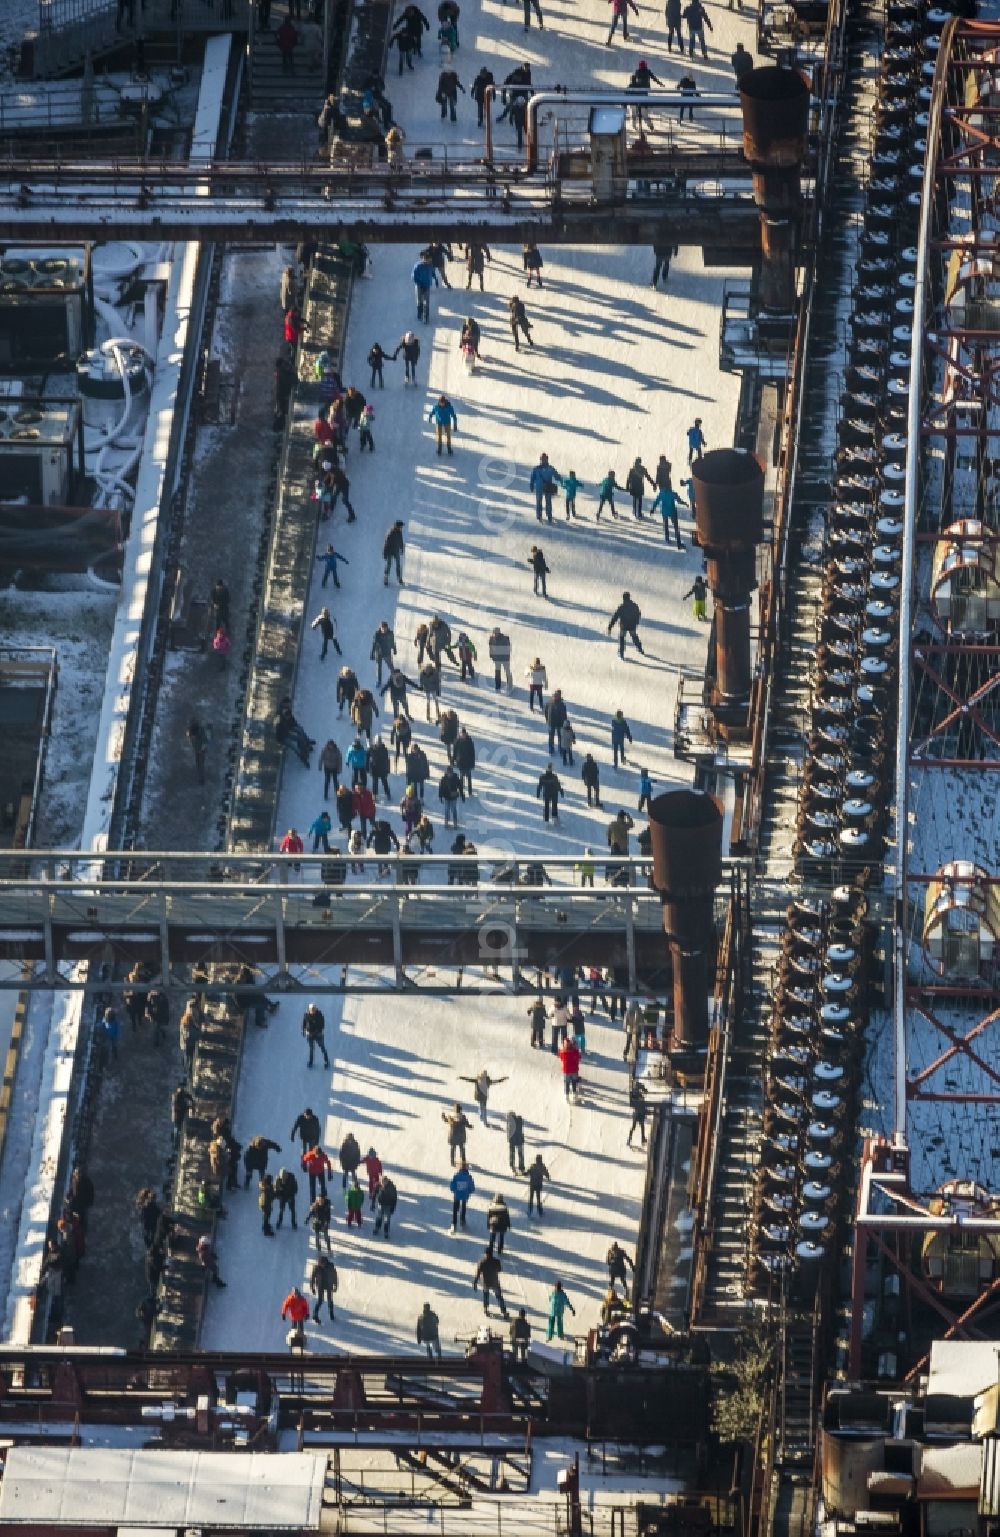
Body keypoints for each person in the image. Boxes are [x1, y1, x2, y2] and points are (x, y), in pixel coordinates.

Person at [608, 592, 645, 659]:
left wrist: (610, 626)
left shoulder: (621, 607)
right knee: (634, 637)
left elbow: (615, 617)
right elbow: (638, 615)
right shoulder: (634, 606)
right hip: (632, 625)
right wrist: (636, 622)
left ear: (623, 598)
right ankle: (640, 649)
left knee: (621, 638)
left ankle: (621, 653)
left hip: (624, 626)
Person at [473, 1248, 508, 1316]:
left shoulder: (482, 1262)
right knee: (499, 1297)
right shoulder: (496, 1261)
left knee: (486, 1295)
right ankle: (504, 1311)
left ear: (485, 1254)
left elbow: (478, 1274)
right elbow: (500, 1270)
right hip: (494, 1282)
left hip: (486, 1283)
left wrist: (475, 1282)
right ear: (492, 1253)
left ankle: (486, 1309)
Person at [651, 483, 688, 548]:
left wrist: (652, 509)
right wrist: (685, 503)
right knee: (676, 527)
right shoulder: (673, 493)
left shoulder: (661, 493)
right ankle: (679, 544)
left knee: (666, 525)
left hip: (664, 512)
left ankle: (667, 539)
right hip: (672, 512)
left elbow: (656, 501)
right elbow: (679, 501)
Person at [530, 453, 560, 521]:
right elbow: (532, 478)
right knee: (540, 502)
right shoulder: (537, 469)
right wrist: (531, 485)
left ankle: (548, 515)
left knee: (547, 501)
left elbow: (556, 476)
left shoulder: (549, 468)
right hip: (541, 488)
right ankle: (540, 515)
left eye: (544, 459)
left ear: (547, 459)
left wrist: (561, 480)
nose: (543, 460)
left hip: (546, 487)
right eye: (542, 459)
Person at [310, 1253, 338, 1321]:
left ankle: (331, 1314)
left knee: (329, 1300)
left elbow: (335, 1276)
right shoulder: (316, 1268)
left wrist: (335, 1285)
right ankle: (315, 1314)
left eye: (323, 1264)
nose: (322, 1266)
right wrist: (312, 1287)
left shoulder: (330, 1266)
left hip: (329, 1284)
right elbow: (312, 1278)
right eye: (321, 1264)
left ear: (326, 1262)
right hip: (320, 1285)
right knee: (320, 1300)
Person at [302, 1003, 330, 1069]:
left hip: (318, 1035)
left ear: (315, 1009)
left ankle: (326, 1062)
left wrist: (318, 1031)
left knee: (322, 1047)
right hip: (310, 1035)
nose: (313, 1011)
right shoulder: (306, 1015)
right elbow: (304, 1023)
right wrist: (303, 1030)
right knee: (311, 1049)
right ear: (309, 1010)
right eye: (311, 1010)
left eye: (313, 1009)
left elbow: (322, 1024)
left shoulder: (319, 1015)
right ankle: (311, 1062)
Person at [450, 1158, 475, 1232]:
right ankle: (462, 1221)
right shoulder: (469, 1177)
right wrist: (469, 1192)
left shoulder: (456, 1176)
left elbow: (452, 1186)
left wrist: (454, 1191)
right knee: (463, 1207)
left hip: (457, 1195)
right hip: (465, 1195)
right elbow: (472, 1187)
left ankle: (454, 1224)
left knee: (455, 1208)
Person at [412, 254, 439, 323]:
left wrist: (436, 279)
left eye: (428, 260)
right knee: (419, 300)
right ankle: (419, 312)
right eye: (426, 260)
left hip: (427, 285)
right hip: (419, 286)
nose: (427, 262)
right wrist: (419, 284)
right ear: (423, 259)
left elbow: (432, 273)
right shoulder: (418, 266)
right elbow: (413, 277)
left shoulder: (430, 266)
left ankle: (426, 317)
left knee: (426, 301)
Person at [488, 627, 512, 692]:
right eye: (494, 633)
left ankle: (510, 684)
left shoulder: (504, 638)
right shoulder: (491, 639)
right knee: (497, 672)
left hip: (504, 658)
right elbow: (490, 648)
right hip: (497, 659)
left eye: (496, 633)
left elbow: (508, 648)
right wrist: (491, 655)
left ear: (499, 633)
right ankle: (497, 686)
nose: (495, 634)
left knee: (507, 671)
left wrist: (507, 656)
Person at [374, 1172, 398, 1237]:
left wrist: (393, 1207)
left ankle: (386, 1232)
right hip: (380, 1204)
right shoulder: (379, 1185)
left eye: (384, 1182)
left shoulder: (391, 1188)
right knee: (379, 1217)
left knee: (387, 1219)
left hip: (388, 1205)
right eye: (382, 1182)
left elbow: (394, 1198)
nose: (383, 1184)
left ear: (387, 1181)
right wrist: (373, 1203)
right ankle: (377, 1228)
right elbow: (375, 1193)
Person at [559, 1033, 581, 1099]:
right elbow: (579, 1057)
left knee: (567, 1082)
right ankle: (574, 1093)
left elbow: (561, 1058)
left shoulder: (563, 1052)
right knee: (574, 1082)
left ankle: (567, 1095)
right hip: (574, 1070)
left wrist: (562, 1049)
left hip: (566, 1071)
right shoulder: (574, 1052)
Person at [383, 520, 406, 586]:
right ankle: (386, 578)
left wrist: (402, 548)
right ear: (397, 527)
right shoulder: (390, 533)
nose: (401, 528)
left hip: (396, 550)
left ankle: (399, 578)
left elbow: (401, 541)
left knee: (398, 564)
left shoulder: (399, 532)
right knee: (389, 564)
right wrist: (385, 553)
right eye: (401, 527)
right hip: (390, 551)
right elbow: (386, 544)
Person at [187, 718, 209, 783]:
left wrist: (201, 749)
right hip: (197, 750)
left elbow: (205, 741)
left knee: (200, 764)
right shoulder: (191, 731)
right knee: (198, 764)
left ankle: (202, 779)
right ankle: (200, 778)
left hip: (201, 750)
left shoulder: (200, 730)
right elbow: (190, 739)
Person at [628, 1081, 648, 1147]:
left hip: (637, 1113)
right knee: (641, 1126)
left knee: (634, 1127)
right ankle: (642, 1138)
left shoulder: (633, 1092)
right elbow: (644, 1091)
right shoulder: (637, 1094)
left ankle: (629, 1139)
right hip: (639, 1112)